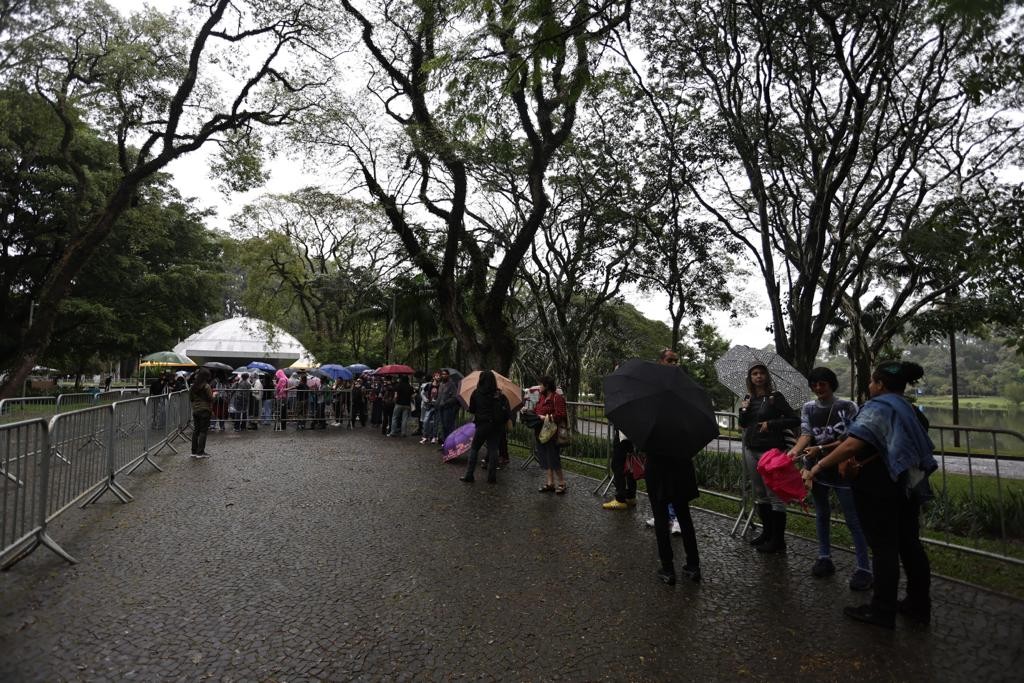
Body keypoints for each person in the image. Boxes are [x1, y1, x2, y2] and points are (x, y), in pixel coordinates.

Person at [803, 361, 937, 629]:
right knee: (910, 545)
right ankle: (918, 604)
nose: (869, 385)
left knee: (885, 549)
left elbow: (854, 442)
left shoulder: (879, 407)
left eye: (872, 381)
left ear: (881, 384)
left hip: (880, 487)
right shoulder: (908, 408)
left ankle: (882, 610)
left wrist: (816, 467)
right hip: (906, 484)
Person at [789, 367, 872, 591]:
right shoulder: (808, 408)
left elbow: (851, 439)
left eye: (822, 384)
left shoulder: (847, 407)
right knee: (822, 514)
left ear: (831, 384)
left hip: (843, 470)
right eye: (814, 385)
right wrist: (794, 452)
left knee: (853, 519)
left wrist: (820, 448)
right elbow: (806, 434)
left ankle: (864, 568)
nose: (818, 389)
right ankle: (824, 556)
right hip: (816, 471)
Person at [646, 348, 702, 584]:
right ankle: (670, 567)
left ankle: (688, 565)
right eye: (669, 360)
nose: (674, 364)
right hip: (666, 461)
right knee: (664, 517)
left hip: (673, 462)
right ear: (660, 362)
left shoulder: (654, 393)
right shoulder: (683, 392)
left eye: (676, 361)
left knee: (680, 515)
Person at [738, 362, 799, 554]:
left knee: (774, 495)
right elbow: (743, 423)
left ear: (767, 376)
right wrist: (744, 409)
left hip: (771, 451)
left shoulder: (775, 398)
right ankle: (767, 533)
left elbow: (794, 419)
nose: (758, 376)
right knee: (760, 493)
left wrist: (771, 424)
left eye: (761, 373)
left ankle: (778, 540)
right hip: (751, 449)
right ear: (750, 378)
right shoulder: (748, 398)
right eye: (754, 373)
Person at [459, 370, 511, 484]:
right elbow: (507, 413)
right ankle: (492, 477)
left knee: (474, 448)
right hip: (496, 426)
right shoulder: (499, 394)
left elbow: (472, 409)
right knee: (493, 450)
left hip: (482, 425)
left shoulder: (477, 393)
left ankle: (469, 475)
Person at [534, 375, 568, 494]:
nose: (539, 387)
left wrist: (546, 417)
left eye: (541, 384)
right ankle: (550, 483)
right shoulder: (542, 397)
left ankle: (562, 483)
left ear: (547, 386)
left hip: (552, 433)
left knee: (553, 458)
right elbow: (537, 409)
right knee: (545, 457)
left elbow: (561, 414)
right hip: (541, 433)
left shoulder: (557, 398)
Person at [189, 368, 214, 458]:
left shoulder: (193, 386)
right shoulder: (206, 386)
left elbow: (191, 398)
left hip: (196, 410)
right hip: (205, 410)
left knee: (196, 431)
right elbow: (210, 399)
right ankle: (200, 452)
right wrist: (214, 395)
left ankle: (193, 451)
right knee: (203, 431)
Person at [435, 370, 459, 446]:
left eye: (445, 374)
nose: (443, 375)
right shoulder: (441, 384)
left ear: (448, 375)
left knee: (448, 426)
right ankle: (445, 443)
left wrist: (446, 402)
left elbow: (455, 397)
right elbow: (439, 396)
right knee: (442, 426)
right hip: (440, 408)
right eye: (442, 374)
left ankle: (450, 444)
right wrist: (436, 403)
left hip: (448, 409)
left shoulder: (451, 385)